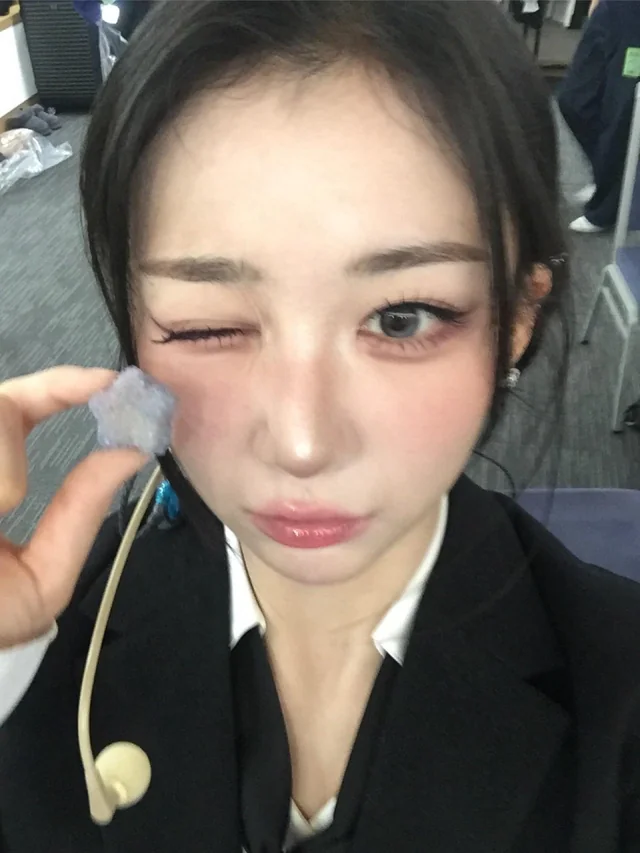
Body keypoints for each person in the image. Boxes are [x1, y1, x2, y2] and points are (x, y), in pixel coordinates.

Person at [0, 2, 639, 851]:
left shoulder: (618, 692)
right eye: (207, 324)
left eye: (403, 318)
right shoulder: (41, 649)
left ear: (517, 320)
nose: (302, 443)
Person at [557, 0, 640, 233]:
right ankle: (608, 178)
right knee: (573, 100)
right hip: (609, 10)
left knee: (619, 113)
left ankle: (606, 209)